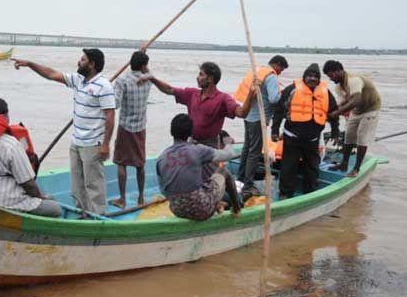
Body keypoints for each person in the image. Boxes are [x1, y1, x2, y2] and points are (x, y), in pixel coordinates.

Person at [12, 49, 115, 214]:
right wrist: (30, 64)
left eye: (82, 59)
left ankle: (97, 216)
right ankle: (82, 213)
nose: (78, 62)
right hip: (76, 141)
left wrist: (106, 145)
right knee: (76, 184)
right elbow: (51, 74)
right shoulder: (78, 80)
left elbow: (110, 116)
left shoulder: (104, 86)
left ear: (92, 64)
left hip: (92, 144)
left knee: (93, 184)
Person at [140, 61, 256, 179]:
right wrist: (152, 79)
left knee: (209, 179)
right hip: (191, 143)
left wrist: (251, 94)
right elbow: (169, 90)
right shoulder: (192, 94)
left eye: (201, 74)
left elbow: (242, 113)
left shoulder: (223, 98)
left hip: (210, 147)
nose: (198, 77)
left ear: (210, 79)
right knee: (190, 177)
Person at [0, 97, 62, 217]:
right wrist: (41, 197)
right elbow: (28, 183)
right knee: (55, 208)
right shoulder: (10, 144)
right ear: (5, 117)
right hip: (5, 202)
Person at [271, 63, 340, 198]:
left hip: (312, 139)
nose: (312, 79)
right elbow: (279, 111)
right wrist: (274, 130)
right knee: (289, 167)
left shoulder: (326, 93)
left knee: (312, 168)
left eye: (316, 76)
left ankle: (310, 193)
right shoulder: (292, 89)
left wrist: (335, 131)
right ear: (304, 77)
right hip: (292, 137)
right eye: (309, 76)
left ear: (319, 79)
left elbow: (334, 113)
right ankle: (285, 194)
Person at [157, 114, 241, 220]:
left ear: (171, 132)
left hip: (176, 210)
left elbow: (164, 190)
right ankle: (237, 210)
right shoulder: (197, 150)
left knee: (200, 184)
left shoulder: (162, 157)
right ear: (191, 133)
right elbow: (228, 155)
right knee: (223, 172)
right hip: (202, 209)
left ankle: (218, 205)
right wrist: (228, 143)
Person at [234, 55, 288, 199]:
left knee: (247, 147)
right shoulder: (270, 76)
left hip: (247, 114)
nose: (280, 73)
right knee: (255, 151)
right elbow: (273, 98)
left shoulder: (257, 70)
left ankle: (240, 177)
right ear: (277, 65)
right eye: (281, 70)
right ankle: (248, 184)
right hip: (258, 117)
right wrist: (283, 93)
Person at [323, 60, 381, 177]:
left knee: (361, 137)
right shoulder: (339, 87)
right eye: (328, 76)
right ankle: (343, 164)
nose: (331, 79)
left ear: (339, 71)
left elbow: (355, 100)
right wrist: (329, 113)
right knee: (348, 137)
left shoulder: (353, 80)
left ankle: (356, 168)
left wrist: (337, 113)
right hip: (357, 111)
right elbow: (341, 104)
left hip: (370, 110)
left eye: (331, 75)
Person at [110, 51, 151, 209]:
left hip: (126, 127)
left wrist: (107, 91)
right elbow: (150, 73)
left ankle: (122, 199)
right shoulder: (148, 80)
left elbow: (115, 104)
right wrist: (146, 71)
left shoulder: (122, 80)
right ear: (143, 66)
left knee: (121, 162)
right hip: (140, 128)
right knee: (140, 164)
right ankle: (141, 198)